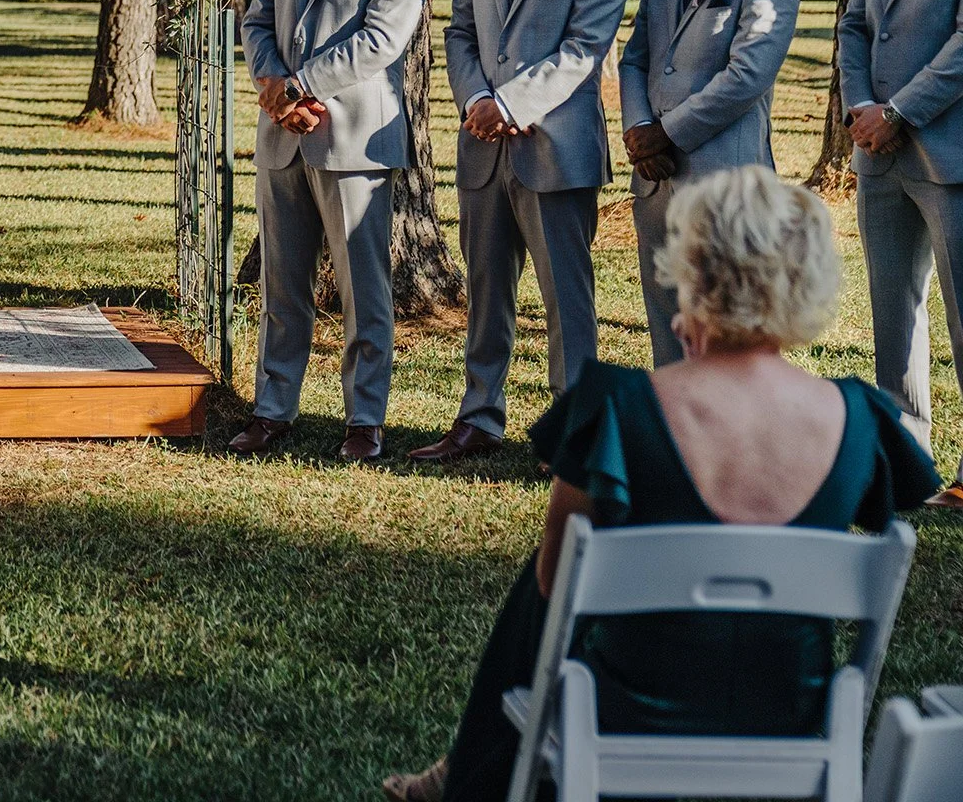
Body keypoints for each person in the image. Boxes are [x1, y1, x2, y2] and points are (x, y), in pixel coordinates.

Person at [380, 166, 940, 802]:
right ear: (807, 278)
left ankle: (467, 776)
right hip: (788, 717)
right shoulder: (862, 419)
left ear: (691, 268)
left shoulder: (617, 405)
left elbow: (555, 581)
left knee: (544, 571)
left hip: (624, 715)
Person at [419, 0, 628, 465]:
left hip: (555, 149)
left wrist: (510, 103)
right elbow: (457, 32)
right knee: (486, 290)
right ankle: (479, 416)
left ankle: (572, 429)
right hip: (484, 151)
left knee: (567, 297)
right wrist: (476, 98)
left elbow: (585, 48)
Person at [228, 0, 434, 463]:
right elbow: (257, 15)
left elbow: (382, 37)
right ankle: (272, 407)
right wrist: (271, 84)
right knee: (283, 285)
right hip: (282, 133)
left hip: (352, 135)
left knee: (361, 286)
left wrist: (300, 87)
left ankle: (365, 417)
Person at [619, 0, 800, 366]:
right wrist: (638, 130)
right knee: (666, 319)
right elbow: (636, 60)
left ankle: (734, 443)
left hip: (724, 181)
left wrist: (668, 133)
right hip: (655, 178)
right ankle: (677, 434)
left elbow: (748, 76)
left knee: (728, 328)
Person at [838, 0, 963, 509]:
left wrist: (901, 111)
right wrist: (862, 108)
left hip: (950, 152)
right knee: (895, 310)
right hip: (878, 153)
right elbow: (856, 26)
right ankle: (905, 461)